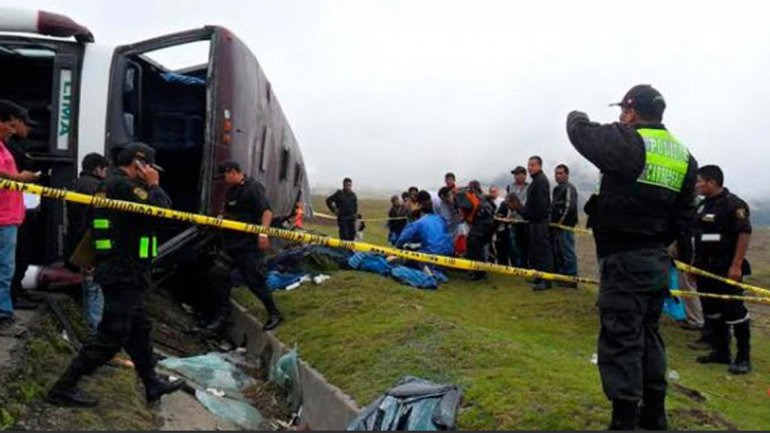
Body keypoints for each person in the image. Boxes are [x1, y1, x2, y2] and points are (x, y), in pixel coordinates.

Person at [567, 84, 697, 430]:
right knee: (648, 334)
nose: (620, 118)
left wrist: (575, 113)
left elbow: (579, 132)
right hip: (655, 258)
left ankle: (624, 421)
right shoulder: (684, 157)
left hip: (624, 259)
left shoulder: (630, 141)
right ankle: (654, 414)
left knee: (621, 339)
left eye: (622, 112)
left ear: (631, 111)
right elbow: (684, 220)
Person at [47, 142, 184, 407]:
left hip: (124, 270)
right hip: (123, 272)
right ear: (139, 164)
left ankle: (151, 382)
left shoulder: (111, 185)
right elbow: (162, 211)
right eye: (150, 167)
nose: (154, 172)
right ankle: (63, 388)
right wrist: (154, 185)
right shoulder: (123, 186)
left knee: (139, 330)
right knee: (111, 337)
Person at [690, 165, 752, 375]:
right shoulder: (702, 206)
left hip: (727, 267)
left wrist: (736, 265)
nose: (697, 185)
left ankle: (743, 357)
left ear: (712, 182)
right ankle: (721, 351)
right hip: (705, 267)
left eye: (699, 181)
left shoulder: (734, 205)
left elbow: (744, 234)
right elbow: (698, 237)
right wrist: (694, 266)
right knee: (712, 310)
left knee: (734, 311)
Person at [215, 160, 283, 332]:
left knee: (254, 281)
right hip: (231, 244)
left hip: (247, 245)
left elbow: (266, 211)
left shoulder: (253, 188)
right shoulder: (231, 191)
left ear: (233, 172)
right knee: (219, 275)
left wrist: (263, 234)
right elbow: (230, 212)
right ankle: (223, 317)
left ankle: (274, 313)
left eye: (225, 175)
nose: (224, 180)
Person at [0, 102, 39, 337]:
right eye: (8, 125)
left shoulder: (6, 148)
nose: (11, 130)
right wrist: (18, 177)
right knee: (4, 270)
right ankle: (3, 315)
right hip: (3, 218)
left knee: (6, 268)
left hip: (10, 217)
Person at [66, 153, 110, 333]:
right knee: (95, 290)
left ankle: (90, 328)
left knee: (88, 288)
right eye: (106, 170)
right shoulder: (97, 187)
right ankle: (96, 332)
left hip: (77, 243)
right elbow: (99, 221)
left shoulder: (75, 184)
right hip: (90, 245)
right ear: (98, 169)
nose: (107, 174)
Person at [518, 156, 554, 291]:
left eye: (532, 165)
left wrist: (523, 210)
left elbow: (540, 205)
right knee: (537, 251)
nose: (529, 167)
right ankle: (539, 275)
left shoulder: (541, 181)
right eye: (528, 165)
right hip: (534, 221)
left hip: (540, 221)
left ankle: (546, 280)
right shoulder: (535, 181)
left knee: (543, 251)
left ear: (539, 166)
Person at [395, 190, 453, 257]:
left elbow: (403, 237)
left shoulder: (419, 223)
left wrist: (397, 246)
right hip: (449, 251)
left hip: (433, 254)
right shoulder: (440, 218)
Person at [551, 163, 579, 287]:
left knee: (568, 252)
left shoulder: (569, 188)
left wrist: (560, 223)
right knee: (559, 252)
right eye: (556, 173)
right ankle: (562, 277)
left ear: (567, 174)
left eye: (561, 173)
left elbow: (569, 207)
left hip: (565, 226)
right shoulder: (556, 189)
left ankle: (572, 279)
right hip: (556, 227)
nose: (558, 176)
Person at [464, 181, 497, 280]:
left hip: (481, 224)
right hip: (488, 224)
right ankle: (480, 271)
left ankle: (478, 272)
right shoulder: (484, 198)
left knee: (474, 245)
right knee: (479, 247)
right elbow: (493, 208)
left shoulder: (474, 197)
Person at [507, 166, 530, 268]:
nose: (516, 177)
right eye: (515, 174)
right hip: (513, 220)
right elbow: (508, 202)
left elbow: (526, 204)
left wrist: (517, 205)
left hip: (525, 221)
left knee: (526, 245)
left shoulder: (529, 187)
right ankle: (517, 266)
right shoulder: (511, 187)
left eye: (518, 174)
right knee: (514, 245)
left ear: (524, 175)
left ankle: (525, 265)